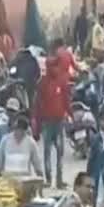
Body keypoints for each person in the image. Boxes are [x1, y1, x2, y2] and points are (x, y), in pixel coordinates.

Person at [36, 39, 74, 188]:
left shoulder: (57, 82)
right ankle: (51, 179)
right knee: (51, 152)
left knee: (56, 152)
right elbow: (38, 104)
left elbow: (66, 100)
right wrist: (37, 124)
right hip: (50, 122)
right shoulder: (46, 83)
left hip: (56, 122)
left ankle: (55, 180)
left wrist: (70, 114)